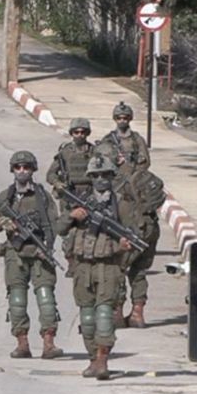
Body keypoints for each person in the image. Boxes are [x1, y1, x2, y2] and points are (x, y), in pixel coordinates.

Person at [56, 154, 139, 380]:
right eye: (96, 175)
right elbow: (59, 228)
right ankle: (93, 359)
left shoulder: (121, 204)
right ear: (90, 177)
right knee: (87, 318)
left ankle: (102, 359)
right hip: (83, 267)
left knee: (104, 314)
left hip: (108, 266)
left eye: (105, 175)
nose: (101, 179)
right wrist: (72, 216)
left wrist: (122, 248)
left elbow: (134, 236)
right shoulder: (79, 201)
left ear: (112, 176)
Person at [0, 150, 63, 359]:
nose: (22, 171)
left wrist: (47, 247)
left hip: (39, 253)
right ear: (12, 170)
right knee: (17, 299)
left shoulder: (42, 196)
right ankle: (22, 343)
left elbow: (53, 225)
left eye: (26, 167)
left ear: (33, 170)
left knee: (46, 298)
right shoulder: (6, 197)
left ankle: (49, 343)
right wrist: (3, 222)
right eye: (18, 167)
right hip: (15, 254)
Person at [116, 161, 165, 328]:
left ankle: (117, 313)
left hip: (135, 229)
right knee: (139, 270)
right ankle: (138, 313)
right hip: (151, 228)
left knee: (118, 268)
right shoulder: (142, 176)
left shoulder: (120, 179)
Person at [47, 117, 95, 276]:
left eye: (83, 132)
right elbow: (50, 174)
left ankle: (87, 262)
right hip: (69, 197)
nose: (79, 135)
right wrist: (58, 184)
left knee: (89, 230)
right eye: (76, 132)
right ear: (72, 133)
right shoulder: (65, 152)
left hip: (90, 196)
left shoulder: (94, 152)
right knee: (67, 232)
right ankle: (71, 262)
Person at [95, 100, 150, 171]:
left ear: (130, 119)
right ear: (115, 119)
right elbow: (100, 160)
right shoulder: (108, 139)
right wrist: (114, 160)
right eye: (119, 118)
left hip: (133, 173)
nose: (122, 120)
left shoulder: (137, 139)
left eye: (125, 118)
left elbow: (145, 162)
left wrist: (132, 169)